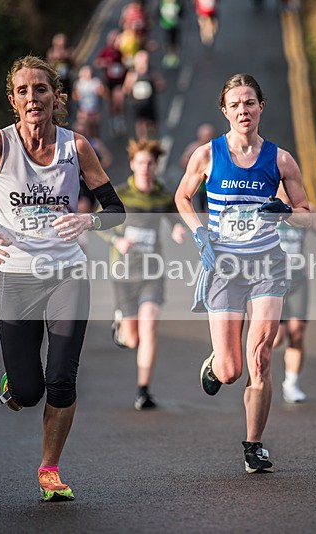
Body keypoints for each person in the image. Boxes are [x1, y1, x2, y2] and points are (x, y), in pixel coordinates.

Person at [0, 56, 125, 500]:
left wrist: (89, 224)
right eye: (24, 91)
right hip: (15, 275)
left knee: (62, 380)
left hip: (68, 273)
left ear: (56, 96)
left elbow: (116, 211)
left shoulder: (77, 148)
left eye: (41, 89)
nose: (33, 98)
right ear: (13, 100)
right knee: (28, 391)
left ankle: (50, 470)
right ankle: (15, 379)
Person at [174, 73, 311, 473]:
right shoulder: (207, 154)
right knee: (232, 370)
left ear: (261, 106)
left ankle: (254, 445)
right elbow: (182, 196)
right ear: (225, 110)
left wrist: (285, 212)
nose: (243, 110)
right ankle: (215, 363)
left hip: (267, 264)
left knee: (261, 356)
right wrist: (200, 232)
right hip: (225, 268)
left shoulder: (281, 159)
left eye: (249, 102)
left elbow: (305, 214)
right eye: (235, 104)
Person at [107, 139, 187, 410]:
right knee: (132, 339)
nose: (145, 167)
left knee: (150, 325)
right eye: (140, 162)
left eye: (150, 163)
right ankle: (121, 324)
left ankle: (144, 391)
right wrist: (117, 239)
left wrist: (177, 228)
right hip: (124, 272)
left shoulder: (162, 194)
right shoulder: (120, 194)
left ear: (156, 165)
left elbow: (175, 215)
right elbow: (99, 222)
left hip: (152, 272)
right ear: (132, 164)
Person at [272, 195, 316, 403]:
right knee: (276, 338)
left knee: (297, 331)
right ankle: (259, 376)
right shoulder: (264, 206)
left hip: (298, 279)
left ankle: (291, 383)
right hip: (271, 281)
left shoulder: (306, 210)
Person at [123, 49, 165, 140]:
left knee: (152, 125)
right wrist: (132, 83)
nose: (144, 63)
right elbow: (125, 89)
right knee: (140, 124)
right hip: (137, 105)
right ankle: (142, 141)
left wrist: (156, 82)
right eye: (141, 60)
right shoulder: (132, 74)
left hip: (150, 104)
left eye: (146, 60)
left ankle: (153, 140)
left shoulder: (152, 72)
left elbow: (162, 86)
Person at [94, 29, 129, 136]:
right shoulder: (106, 51)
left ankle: (120, 120)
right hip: (109, 81)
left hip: (120, 81)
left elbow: (127, 62)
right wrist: (104, 63)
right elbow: (97, 63)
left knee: (119, 99)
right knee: (111, 103)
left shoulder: (122, 50)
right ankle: (114, 120)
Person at [179, 123, 217, 213]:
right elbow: (183, 161)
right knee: (201, 208)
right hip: (200, 184)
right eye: (206, 136)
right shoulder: (194, 148)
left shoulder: (216, 148)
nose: (208, 138)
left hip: (213, 183)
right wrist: (195, 165)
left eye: (210, 136)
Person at [159, 0, 183, 68]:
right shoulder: (162, 2)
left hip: (175, 25)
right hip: (166, 25)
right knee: (167, 41)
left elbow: (182, 12)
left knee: (175, 41)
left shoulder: (177, 3)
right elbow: (159, 12)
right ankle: (168, 55)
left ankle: (174, 55)